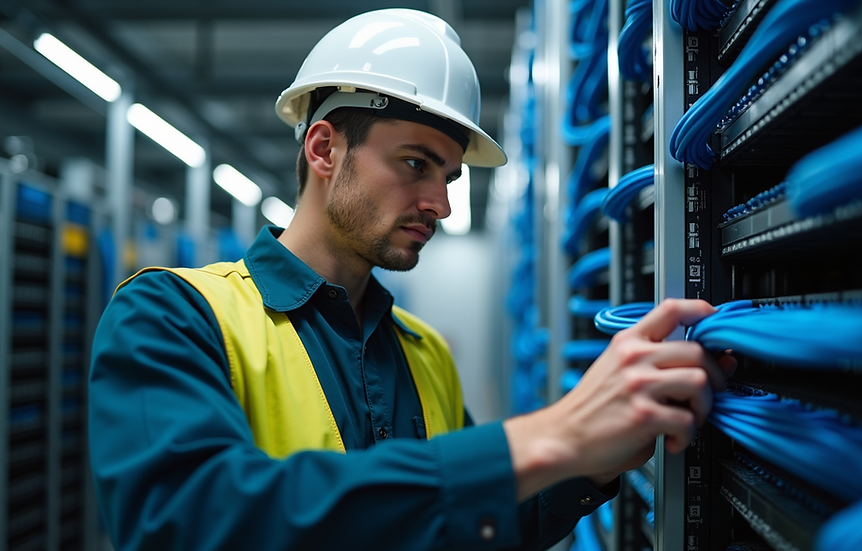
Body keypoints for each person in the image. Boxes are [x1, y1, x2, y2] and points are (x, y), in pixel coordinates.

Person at [88, 8, 735, 551]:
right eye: (415, 163)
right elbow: (191, 521)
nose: (442, 204)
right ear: (323, 148)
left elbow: (465, 524)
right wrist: (549, 434)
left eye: (449, 176)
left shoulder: (424, 351)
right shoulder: (171, 315)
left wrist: (590, 461)